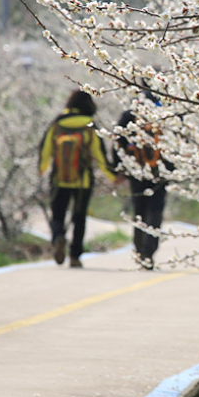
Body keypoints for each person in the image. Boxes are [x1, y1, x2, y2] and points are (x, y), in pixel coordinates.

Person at [39, 90, 120, 268]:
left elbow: (45, 149)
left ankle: (58, 236)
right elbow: (100, 155)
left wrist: (42, 169)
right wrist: (112, 176)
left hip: (59, 178)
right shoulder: (90, 125)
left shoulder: (57, 123)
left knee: (57, 214)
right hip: (82, 180)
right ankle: (75, 256)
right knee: (79, 217)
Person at [112, 91, 174, 270]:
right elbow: (180, 140)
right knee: (156, 209)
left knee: (139, 209)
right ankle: (149, 251)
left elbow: (119, 139)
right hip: (160, 171)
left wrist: (119, 166)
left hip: (136, 169)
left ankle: (139, 250)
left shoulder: (132, 111)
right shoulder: (168, 112)